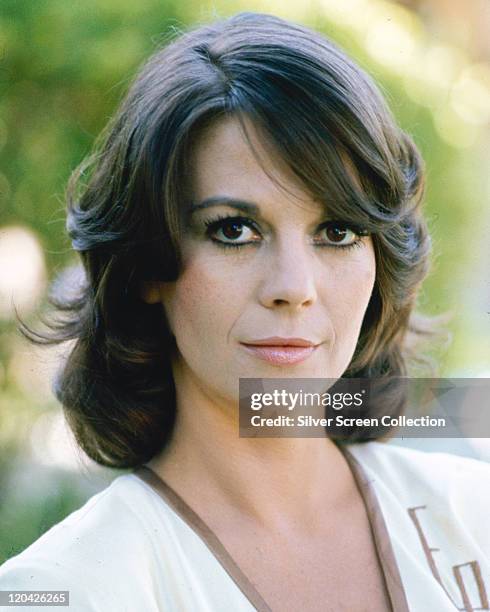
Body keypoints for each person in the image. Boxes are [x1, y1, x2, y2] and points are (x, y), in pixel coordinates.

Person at [0, 12, 489, 612]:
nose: (293, 287)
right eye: (234, 230)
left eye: (336, 230)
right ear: (148, 264)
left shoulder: (473, 517)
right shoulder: (64, 589)